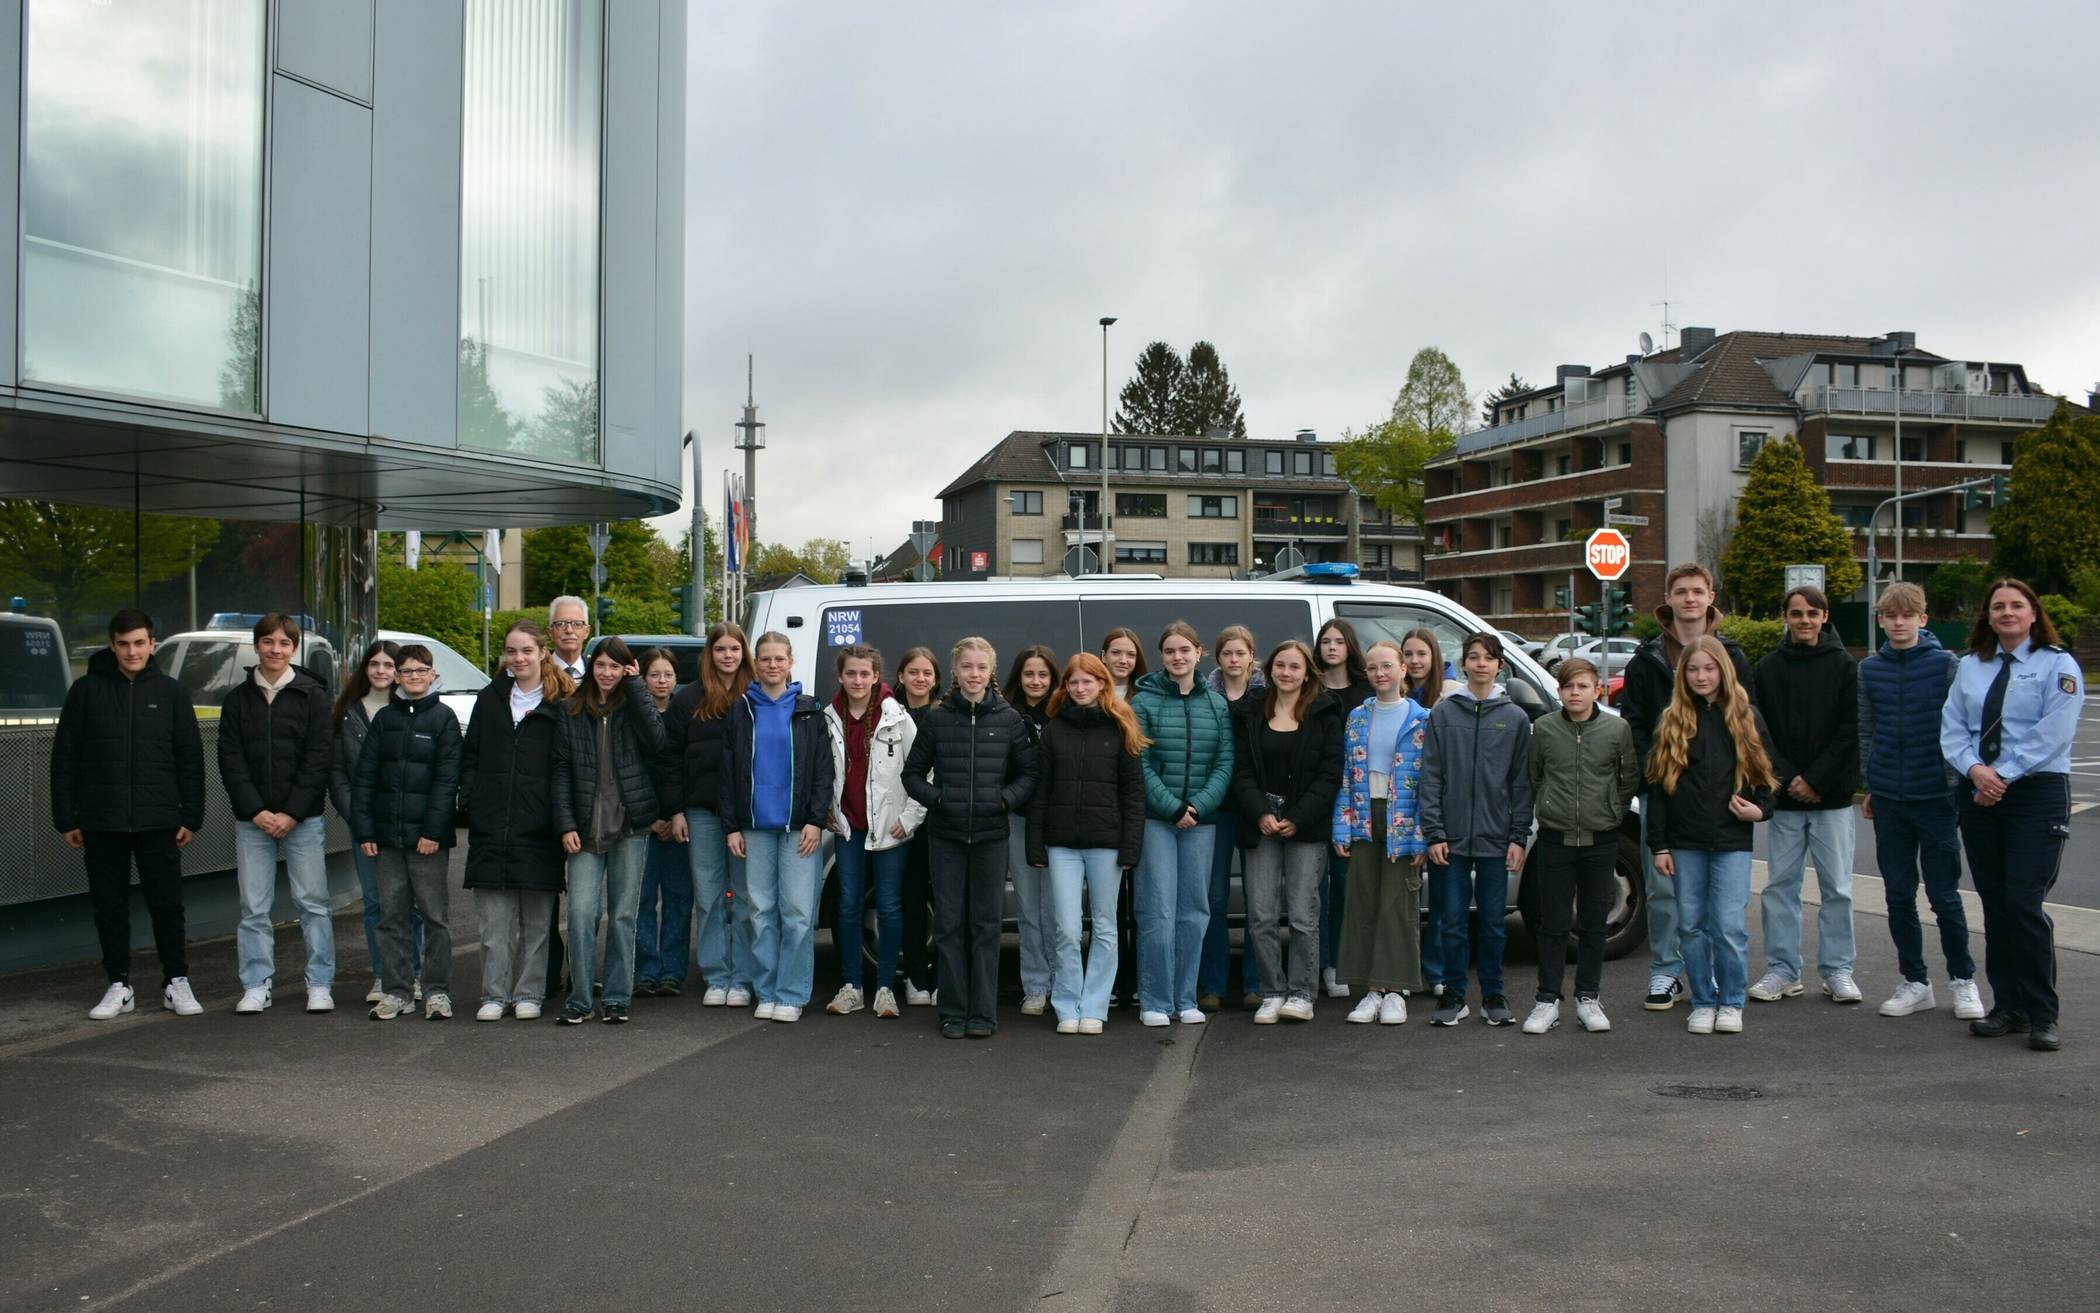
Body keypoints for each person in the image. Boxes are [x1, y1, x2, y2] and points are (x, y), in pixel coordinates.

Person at [1940, 578, 2082, 1053]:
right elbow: (1953, 728)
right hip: (1979, 792)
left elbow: (2054, 732)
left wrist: (2001, 775)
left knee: (2024, 904)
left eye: (2016, 605)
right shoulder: (1970, 667)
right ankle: (2009, 1007)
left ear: (2033, 612)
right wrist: (1977, 771)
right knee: (1996, 906)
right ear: (1988, 616)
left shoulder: (2058, 664)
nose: (2006, 612)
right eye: (1998, 606)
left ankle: (2043, 1012)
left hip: (2035, 792)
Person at [53, 609, 207, 1020]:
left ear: (152, 644)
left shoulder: (172, 692)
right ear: (112, 644)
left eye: (139, 643)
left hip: (160, 820)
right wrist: (66, 818)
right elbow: (65, 757)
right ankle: (119, 984)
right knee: (109, 906)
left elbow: (190, 758)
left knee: (167, 905)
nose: (132, 651)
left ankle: (176, 981)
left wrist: (190, 816)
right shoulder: (85, 691)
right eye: (123, 644)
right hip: (102, 821)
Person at [1617, 562, 1752, 1011]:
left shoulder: (1733, 654)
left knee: (1716, 897)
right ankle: (1666, 972)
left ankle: (1710, 974)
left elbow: (1749, 725)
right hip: (1663, 788)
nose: (1690, 598)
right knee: (1661, 885)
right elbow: (1633, 723)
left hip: (1718, 793)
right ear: (1669, 599)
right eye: (1681, 591)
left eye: (1698, 590)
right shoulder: (1646, 658)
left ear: (1711, 596)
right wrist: (1651, 769)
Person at [902, 636, 1039, 1039]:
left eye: (981, 667)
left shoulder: (1009, 720)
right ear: (956, 671)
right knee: (948, 926)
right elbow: (911, 774)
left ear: (991, 671)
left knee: (985, 925)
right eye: (967, 667)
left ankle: (983, 1013)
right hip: (944, 836)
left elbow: (1028, 775)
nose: (974, 674)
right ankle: (952, 1011)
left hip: (992, 837)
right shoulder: (938, 719)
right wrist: (940, 799)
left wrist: (1003, 800)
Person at [1858, 583, 1980, 1020]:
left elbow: (1963, 726)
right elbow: (1866, 729)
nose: (1899, 622)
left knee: (1945, 896)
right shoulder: (1869, 669)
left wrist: (1955, 782)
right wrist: (1870, 782)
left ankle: (1963, 981)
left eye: (1908, 615)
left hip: (1938, 796)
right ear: (1881, 620)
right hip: (1889, 797)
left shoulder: (1948, 665)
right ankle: (1915, 981)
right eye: (1891, 615)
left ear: (1923, 619)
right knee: (1898, 895)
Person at [1647, 636, 1777, 1036]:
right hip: (1684, 843)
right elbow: (1657, 788)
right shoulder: (1670, 720)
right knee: (1691, 925)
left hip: (1731, 842)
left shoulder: (1745, 716)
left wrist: (1761, 810)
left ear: (1723, 669)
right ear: (1682, 675)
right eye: (1692, 669)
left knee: (1728, 925)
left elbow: (1765, 776)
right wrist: (1660, 844)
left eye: (1708, 668)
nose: (1701, 676)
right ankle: (1703, 1000)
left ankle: (1731, 1001)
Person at [1748, 586, 1862, 1006]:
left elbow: (1851, 730)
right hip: (1785, 802)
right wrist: (1790, 777)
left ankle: (1838, 971)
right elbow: (1761, 733)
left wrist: (1815, 778)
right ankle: (1782, 970)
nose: (1805, 620)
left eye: (1812, 613)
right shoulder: (1768, 668)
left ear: (1825, 616)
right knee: (1780, 887)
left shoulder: (1846, 666)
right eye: (1796, 613)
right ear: (1785, 617)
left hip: (1831, 799)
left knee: (1838, 889)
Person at [219, 613, 336, 1015]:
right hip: (253, 822)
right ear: (256, 646)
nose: (275, 650)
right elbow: (230, 759)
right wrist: (257, 811)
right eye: (268, 642)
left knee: (313, 904)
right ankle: (255, 983)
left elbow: (319, 758)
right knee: (254, 908)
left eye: (284, 643)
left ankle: (319, 982)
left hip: (302, 821)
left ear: (294, 648)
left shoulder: (313, 696)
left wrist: (291, 812)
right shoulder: (237, 699)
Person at [551, 636, 671, 1025]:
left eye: (615, 667)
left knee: (623, 915)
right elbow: (560, 774)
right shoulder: (569, 710)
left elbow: (658, 742)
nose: (607, 673)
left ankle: (617, 997)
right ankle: (581, 998)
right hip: (584, 831)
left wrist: (636, 687)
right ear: (591, 666)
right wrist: (566, 823)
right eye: (601, 665)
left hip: (630, 827)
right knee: (583, 913)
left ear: (626, 670)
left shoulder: (635, 707)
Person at [1026, 653, 1147, 1034]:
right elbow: (1040, 790)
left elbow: (1133, 794)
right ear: (1066, 686)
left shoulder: (1120, 725)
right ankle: (1067, 1005)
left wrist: (1131, 847)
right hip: (1060, 844)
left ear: (1102, 684)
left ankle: (1094, 1006)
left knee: (1106, 927)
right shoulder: (1054, 729)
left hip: (1106, 844)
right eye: (1074, 682)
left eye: (1088, 681)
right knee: (1065, 927)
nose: (1080, 688)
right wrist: (1035, 843)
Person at [1419, 632, 1535, 1028]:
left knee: (1492, 922)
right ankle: (1454, 993)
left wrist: (1518, 836)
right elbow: (1430, 776)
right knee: (1450, 921)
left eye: (1489, 657)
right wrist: (1434, 832)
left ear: (1500, 665)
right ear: (1464, 663)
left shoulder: (1515, 718)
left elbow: (1522, 784)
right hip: (1448, 838)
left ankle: (1493, 993)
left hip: (1495, 837)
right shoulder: (1443, 714)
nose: (1481, 663)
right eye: (1473, 657)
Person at [460, 621, 572, 1021]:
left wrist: (558, 817)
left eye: (526, 650)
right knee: (494, 925)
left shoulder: (563, 703)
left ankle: (529, 993)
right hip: (492, 825)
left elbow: (569, 765)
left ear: (543, 652)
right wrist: (473, 802)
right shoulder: (489, 699)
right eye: (511, 651)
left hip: (540, 829)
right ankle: (493, 994)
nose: (518, 658)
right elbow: (470, 755)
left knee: (538, 924)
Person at [722, 631, 833, 1023]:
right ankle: (765, 990)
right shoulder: (740, 709)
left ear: (790, 662)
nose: (772, 665)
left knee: (798, 913)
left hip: (798, 827)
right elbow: (728, 771)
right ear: (757, 663)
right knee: (760, 912)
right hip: (753, 827)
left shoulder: (809, 710)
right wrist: (731, 826)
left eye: (778, 659)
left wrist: (816, 821)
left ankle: (791, 993)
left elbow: (824, 771)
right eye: (765, 659)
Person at [1230, 639, 1343, 1023]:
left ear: (1308, 672)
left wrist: (1298, 816)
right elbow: (1240, 770)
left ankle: (1301, 994)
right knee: (1260, 915)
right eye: (1280, 665)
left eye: (1295, 667)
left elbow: (1331, 774)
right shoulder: (1249, 713)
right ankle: (1272, 991)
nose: (1287, 673)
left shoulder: (1325, 713)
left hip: (1305, 824)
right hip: (1259, 820)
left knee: (1302, 915)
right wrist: (1261, 812)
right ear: (1269, 670)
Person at [1522, 658, 1638, 1034]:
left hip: (1600, 839)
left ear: (1597, 690)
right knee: (1553, 923)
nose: (1575, 693)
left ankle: (1588, 996)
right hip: (1555, 839)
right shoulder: (1543, 729)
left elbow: (1627, 776)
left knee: (1593, 923)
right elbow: (1536, 776)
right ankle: (1546, 1000)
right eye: (1568, 686)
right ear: (1559, 691)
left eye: (1583, 686)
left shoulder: (1616, 729)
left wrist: (1610, 811)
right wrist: (1551, 807)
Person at [350, 643, 463, 1021]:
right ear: (396, 677)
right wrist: (365, 830)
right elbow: (364, 778)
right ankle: (397, 991)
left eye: (421, 671)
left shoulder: (444, 719)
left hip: (427, 842)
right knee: (391, 917)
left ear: (433, 674)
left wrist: (433, 830)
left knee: (435, 918)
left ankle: (436, 992)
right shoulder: (383, 720)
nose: (414, 677)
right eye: (407, 671)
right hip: (387, 838)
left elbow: (448, 782)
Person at [1130, 621, 1235, 1027]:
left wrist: (1198, 806)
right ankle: (1155, 999)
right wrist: (1173, 807)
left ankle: (1185, 997)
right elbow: (1140, 761)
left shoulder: (1217, 704)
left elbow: (1225, 762)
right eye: (1170, 650)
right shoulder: (1144, 701)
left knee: (1194, 910)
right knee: (1157, 911)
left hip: (1202, 822)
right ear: (1162, 656)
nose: (1177, 657)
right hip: (1158, 821)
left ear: (1198, 652)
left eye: (1184, 650)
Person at [822, 644, 926, 1019]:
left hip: (890, 828)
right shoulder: (829, 716)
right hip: (848, 827)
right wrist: (826, 810)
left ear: (876, 676)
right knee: (848, 906)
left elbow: (923, 771)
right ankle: (851, 986)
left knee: (889, 905)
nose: (858, 680)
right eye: (851, 673)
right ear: (840, 676)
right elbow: (822, 772)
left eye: (865, 674)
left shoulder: (897, 718)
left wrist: (910, 817)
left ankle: (885, 989)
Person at [1331, 639, 1431, 1027]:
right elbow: (1346, 774)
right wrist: (1342, 825)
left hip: (1402, 819)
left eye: (1387, 665)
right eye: (1373, 668)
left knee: (1398, 904)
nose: (1380, 673)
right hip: (1363, 815)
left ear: (1403, 669)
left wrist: (1422, 833)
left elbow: (1429, 782)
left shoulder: (1421, 718)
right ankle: (1369, 990)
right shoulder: (1357, 716)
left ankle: (1395, 990)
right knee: (1363, 901)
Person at [665, 623, 755, 1007]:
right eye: (721, 649)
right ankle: (717, 977)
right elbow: (669, 757)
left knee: (747, 899)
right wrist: (675, 810)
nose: (728, 656)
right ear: (710, 653)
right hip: (701, 812)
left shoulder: (756, 694)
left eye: (734, 649)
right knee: (710, 898)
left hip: (749, 815)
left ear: (743, 653)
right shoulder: (689, 698)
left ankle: (744, 978)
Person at [330, 638, 418, 1005]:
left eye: (388, 665)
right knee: (375, 903)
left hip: (406, 824)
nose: (381, 671)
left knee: (410, 904)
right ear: (363, 669)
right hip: (365, 827)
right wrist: (358, 820)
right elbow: (338, 774)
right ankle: (383, 975)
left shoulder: (413, 709)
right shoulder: (347, 713)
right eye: (374, 665)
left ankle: (411, 974)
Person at [1198, 625, 1265, 1010]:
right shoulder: (1206, 696)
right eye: (1227, 654)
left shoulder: (1267, 696)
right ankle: (1213, 985)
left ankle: (1256, 982)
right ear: (1217, 658)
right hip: (1218, 808)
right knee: (1215, 898)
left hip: (1255, 807)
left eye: (1241, 653)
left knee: (1259, 899)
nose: (1234, 660)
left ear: (1251, 656)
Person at [1313, 618, 1373, 1000]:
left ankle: (1341, 961)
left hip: (1353, 804)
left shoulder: (1367, 693)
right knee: (1313, 892)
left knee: (1346, 888)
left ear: (1350, 646)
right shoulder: (1308, 689)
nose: (1332, 647)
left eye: (1339, 641)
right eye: (1326, 641)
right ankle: (1319, 963)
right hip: (1313, 801)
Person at [1004, 644, 1061, 1016]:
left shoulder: (1066, 714)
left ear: (1054, 678)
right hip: (1020, 820)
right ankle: (1036, 986)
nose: (1036, 681)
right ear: (1018, 677)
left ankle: (1062, 984)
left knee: (1058, 912)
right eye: (1029, 674)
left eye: (1043, 674)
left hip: (1059, 824)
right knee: (1028, 908)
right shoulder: (1005, 715)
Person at [632, 648, 692, 997]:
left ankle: (672, 970)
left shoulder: (684, 714)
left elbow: (688, 769)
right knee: (640, 900)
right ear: (643, 679)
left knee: (679, 898)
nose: (661, 681)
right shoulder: (633, 716)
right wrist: (651, 818)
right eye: (654, 674)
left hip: (680, 821)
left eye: (667, 674)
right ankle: (645, 970)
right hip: (641, 823)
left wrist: (675, 814)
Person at [1401, 627, 1457, 996]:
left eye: (1422, 653)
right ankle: (1401, 970)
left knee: (1440, 896)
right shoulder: (1394, 694)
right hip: (1402, 805)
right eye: (1408, 654)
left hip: (1440, 804)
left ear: (1435, 657)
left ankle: (1435, 972)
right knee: (1403, 893)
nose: (1415, 661)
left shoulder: (1451, 697)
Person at [543, 595, 593, 997]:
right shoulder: (533, 674)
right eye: (561, 625)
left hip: (590, 806)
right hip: (543, 801)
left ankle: (582, 972)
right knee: (545, 897)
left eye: (575, 624)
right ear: (550, 632)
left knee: (585, 900)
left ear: (588, 631)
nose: (569, 631)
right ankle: (544, 976)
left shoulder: (601, 674)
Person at [891, 647, 943, 1006]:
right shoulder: (889, 715)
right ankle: (915, 977)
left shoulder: (944, 715)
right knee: (909, 901)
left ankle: (942, 977)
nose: (920, 678)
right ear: (901, 676)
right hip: (898, 823)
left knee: (945, 904)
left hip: (939, 821)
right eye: (913, 672)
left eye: (927, 672)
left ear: (936, 679)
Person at [1100, 628, 1147, 702]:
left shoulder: (1146, 695)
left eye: (1131, 654)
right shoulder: (1089, 694)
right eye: (1116, 653)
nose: (1123, 661)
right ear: (1104, 656)